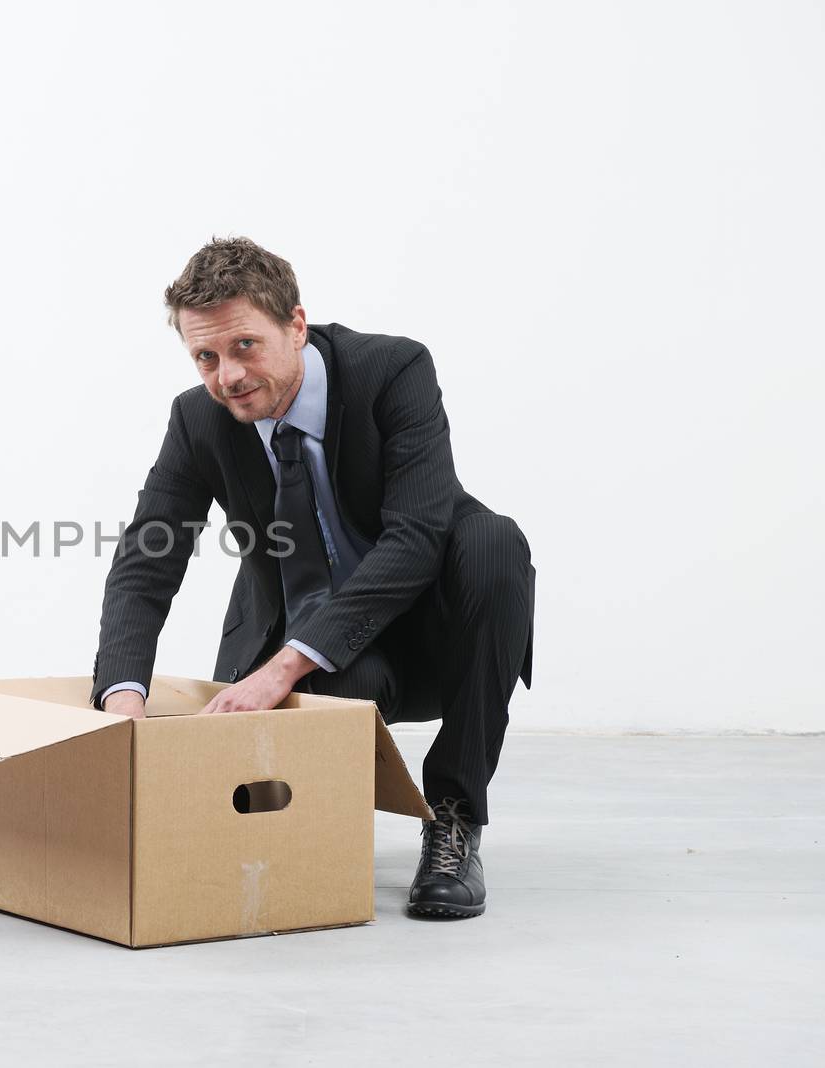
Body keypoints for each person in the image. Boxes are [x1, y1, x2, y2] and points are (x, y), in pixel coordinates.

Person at [90, 236, 535, 919]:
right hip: (329, 653)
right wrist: (123, 699)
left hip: (440, 634)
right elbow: (148, 559)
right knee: (283, 810)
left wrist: (281, 668)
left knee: (492, 541)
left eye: (244, 346)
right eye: (205, 357)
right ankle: (309, 832)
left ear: (295, 324)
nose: (227, 376)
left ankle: (452, 817)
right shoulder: (197, 419)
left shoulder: (393, 369)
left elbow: (416, 537)